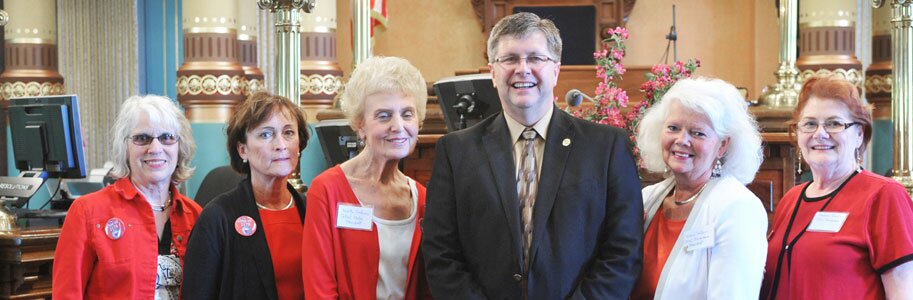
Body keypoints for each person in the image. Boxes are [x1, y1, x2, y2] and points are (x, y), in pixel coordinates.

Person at [422, 12, 644, 299]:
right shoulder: (455, 152)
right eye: (510, 59)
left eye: (535, 58)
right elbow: (441, 252)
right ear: (493, 72)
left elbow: (623, 251)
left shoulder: (607, 147)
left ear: (555, 70)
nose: (522, 69)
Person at [761, 76, 913, 299]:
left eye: (834, 123)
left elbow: (905, 294)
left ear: (859, 135)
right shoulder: (791, 199)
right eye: (809, 124)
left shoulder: (884, 195)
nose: (820, 133)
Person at [303, 56, 430, 299]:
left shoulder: (422, 198)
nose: (398, 126)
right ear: (360, 125)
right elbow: (319, 290)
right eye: (383, 115)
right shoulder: (327, 190)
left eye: (407, 114)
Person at [52, 95, 202, 299]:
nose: (155, 148)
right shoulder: (87, 212)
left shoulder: (196, 216)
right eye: (142, 138)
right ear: (125, 148)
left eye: (167, 137)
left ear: (179, 147)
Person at [632, 77, 768, 299]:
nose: (681, 140)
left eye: (697, 133)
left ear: (722, 146)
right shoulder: (647, 198)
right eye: (673, 128)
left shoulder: (737, 208)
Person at [182, 92, 310, 299]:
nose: (281, 144)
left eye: (288, 133)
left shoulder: (313, 210)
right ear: (242, 150)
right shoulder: (217, 217)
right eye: (266, 134)